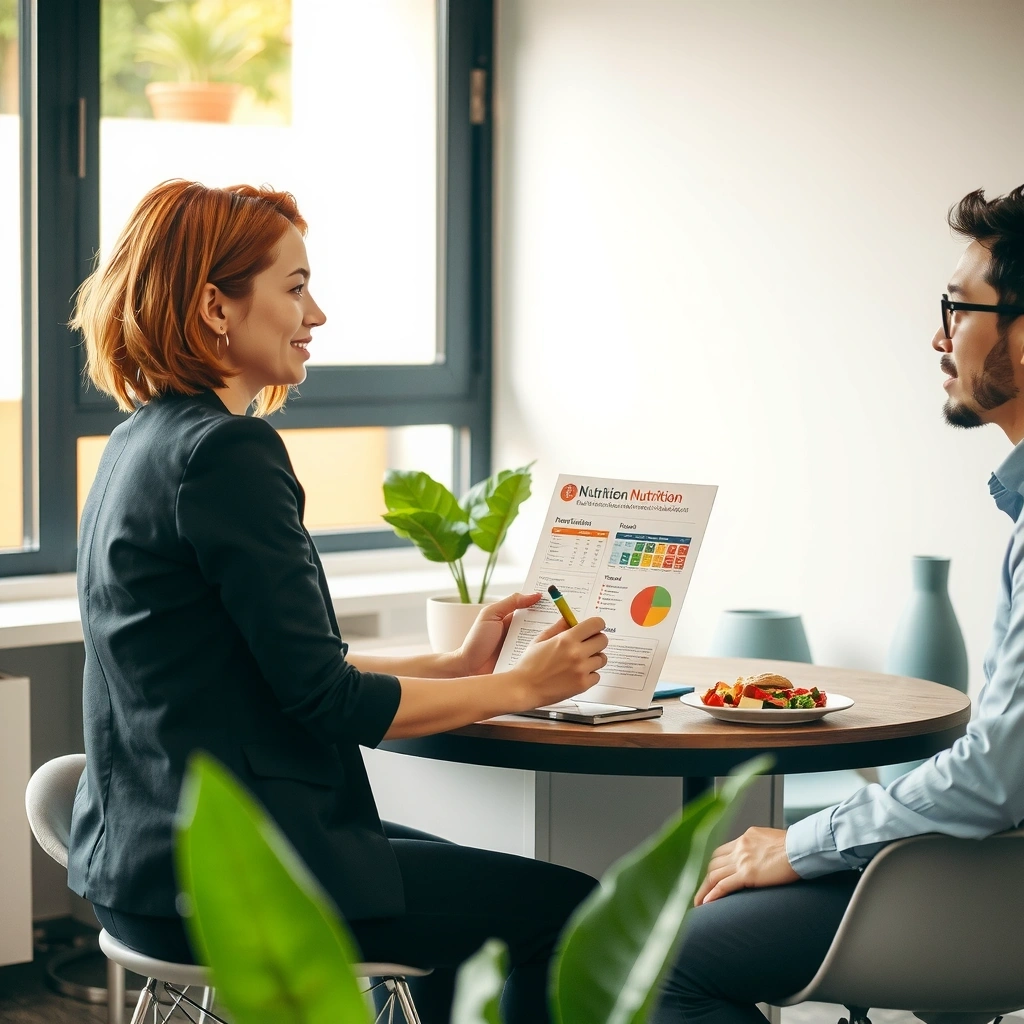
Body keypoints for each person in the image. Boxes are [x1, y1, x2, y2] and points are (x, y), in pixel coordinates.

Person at [66, 179, 609, 1024]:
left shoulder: (139, 441)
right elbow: (328, 700)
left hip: (139, 871)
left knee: (464, 877)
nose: (315, 315)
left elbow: (263, 667)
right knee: (575, 909)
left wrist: (453, 663)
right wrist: (524, 687)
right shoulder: (228, 453)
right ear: (216, 306)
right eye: (294, 287)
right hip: (226, 880)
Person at [653, 184, 1024, 1023]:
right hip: (984, 879)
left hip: (988, 897)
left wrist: (803, 842)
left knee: (650, 963)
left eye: (958, 309)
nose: (938, 335)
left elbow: (999, 776)